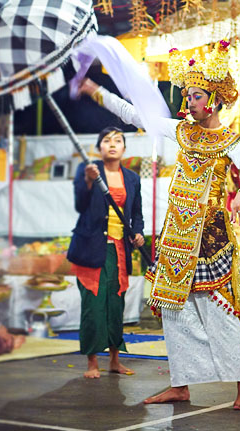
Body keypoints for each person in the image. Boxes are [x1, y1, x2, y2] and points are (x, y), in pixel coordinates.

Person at [78, 40, 240, 410]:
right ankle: (180, 385)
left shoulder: (232, 141)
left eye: (196, 96)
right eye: (187, 96)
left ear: (213, 97)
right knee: (175, 315)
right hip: (176, 238)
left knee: (220, 311)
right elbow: (134, 115)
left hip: (211, 240)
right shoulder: (181, 131)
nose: (189, 103)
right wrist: (95, 91)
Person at [67, 126, 145, 378]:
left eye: (118, 140)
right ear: (99, 147)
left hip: (120, 251)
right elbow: (80, 205)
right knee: (93, 305)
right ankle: (92, 362)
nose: (112, 144)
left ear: (124, 148)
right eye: (107, 141)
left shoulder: (132, 178)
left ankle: (114, 359)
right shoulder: (88, 171)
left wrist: (139, 232)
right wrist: (89, 181)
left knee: (115, 304)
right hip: (92, 249)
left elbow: (136, 215)